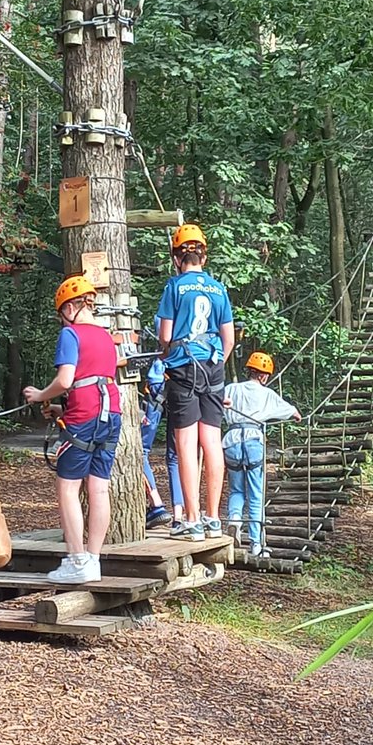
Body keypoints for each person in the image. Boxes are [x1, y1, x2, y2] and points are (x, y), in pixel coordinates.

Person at [23, 276, 121, 585]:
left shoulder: (70, 333)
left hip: (85, 416)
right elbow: (95, 380)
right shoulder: (106, 337)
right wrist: (61, 410)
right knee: (99, 488)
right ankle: (93, 558)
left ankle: (77, 559)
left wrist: (40, 395)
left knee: (67, 488)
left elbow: (66, 380)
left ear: (68, 308)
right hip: (110, 414)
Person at [157, 223, 235, 542]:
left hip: (183, 366)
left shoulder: (174, 287)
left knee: (186, 444)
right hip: (213, 367)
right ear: (203, 256)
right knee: (212, 441)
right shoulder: (219, 289)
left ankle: (191, 519)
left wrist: (168, 354)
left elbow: (165, 335)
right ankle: (213, 518)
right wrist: (217, 364)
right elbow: (229, 338)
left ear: (177, 258)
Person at [222, 351, 301, 558]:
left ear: (249, 370)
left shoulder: (231, 388)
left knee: (236, 490)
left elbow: (217, 403)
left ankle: (234, 521)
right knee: (256, 493)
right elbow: (293, 412)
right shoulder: (267, 394)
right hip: (253, 441)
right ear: (264, 376)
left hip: (231, 440)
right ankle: (256, 544)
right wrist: (296, 415)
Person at [141, 350, 182, 529]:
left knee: (140, 451)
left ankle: (156, 504)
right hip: (183, 393)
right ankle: (178, 517)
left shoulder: (166, 351)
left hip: (159, 389)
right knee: (175, 459)